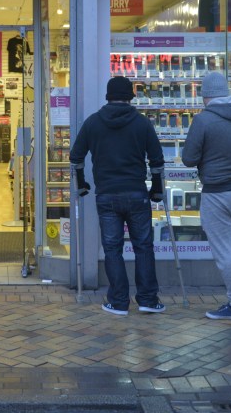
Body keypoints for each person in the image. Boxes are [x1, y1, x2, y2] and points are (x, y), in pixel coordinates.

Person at [69, 76, 165, 316]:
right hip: (136, 193)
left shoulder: (93, 123)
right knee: (143, 246)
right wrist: (157, 189)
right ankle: (148, 300)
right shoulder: (142, 124)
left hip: (107, 194)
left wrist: (82, 183)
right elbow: (157, 160)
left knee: (113, 248)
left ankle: (118, 301)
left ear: (108, 97)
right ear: (130, 97)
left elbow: (76, 157)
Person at [181, 71, 231, 321]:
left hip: (217, 192)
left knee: (225, 251)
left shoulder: (203, 121)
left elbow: (188, 158)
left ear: (206, 95)